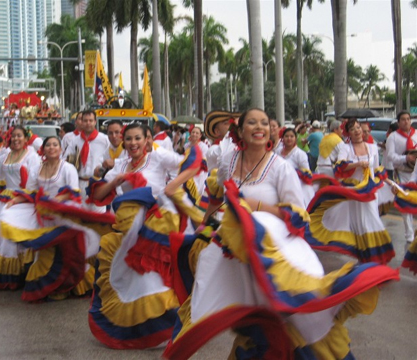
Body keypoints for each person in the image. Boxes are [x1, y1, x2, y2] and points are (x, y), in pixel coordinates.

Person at [164, 108, 399, 360]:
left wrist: (255, 206)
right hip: (240, 258)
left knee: (298, 320)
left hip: (278, 254)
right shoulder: (228, 161)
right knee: (254, 322)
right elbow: (218, 199)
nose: (259, 127)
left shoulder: (280, 167)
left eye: (264, 122)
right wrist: (204, 229)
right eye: (252, 122)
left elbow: (297, 216)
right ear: (239, 130)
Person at [86, 122, 204, 349]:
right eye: (128, 139)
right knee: (131, 282)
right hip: (129, 232)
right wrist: (115, 181)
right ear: (123, 141)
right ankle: (140, 330)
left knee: (154, 278)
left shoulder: (158, 158)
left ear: (146, 140)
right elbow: (98, 194)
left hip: (156, 228)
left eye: (137, 138)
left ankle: (170, 326)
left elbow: (192, 163)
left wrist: (172, 187)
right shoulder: (120, 165)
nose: (133, 143)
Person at [1, 136, 96, 301]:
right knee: (46, 252)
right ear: (43, 150)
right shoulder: (37, 168)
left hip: (65, 216)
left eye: (55, 145)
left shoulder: (68, 168)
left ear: (60, 149)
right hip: (45, 217)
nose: (51, 148)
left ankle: (70, 285)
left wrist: (54, 202)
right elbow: (31, 191)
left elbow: (73, 192)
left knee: (68, 252)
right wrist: (15, 200)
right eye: (48, 145)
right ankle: (50, 285)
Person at [309, 119, 394, 264]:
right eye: (353, 129)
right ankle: (366, 258)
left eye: (358, 128)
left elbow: (376, 170)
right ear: (348, 133)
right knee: (361, 225)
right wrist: (357, 164)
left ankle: (377, 257)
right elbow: (339, 167)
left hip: (370, 192)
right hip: (354, 193)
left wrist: (391, 183)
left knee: (373, 221)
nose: (357, 131)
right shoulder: (345, 148)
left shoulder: (372, 147)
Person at [0, 125, 41, 289]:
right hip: (7, 203)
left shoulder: (32, 156)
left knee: (20, 239)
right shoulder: (5, 156)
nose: (16, 139)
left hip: (25, 201)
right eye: (13, 136)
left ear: (25, 138)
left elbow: (35, 181)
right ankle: (10, 277)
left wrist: (25, 197)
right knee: (4, 241)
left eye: (19, 136)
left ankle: (25, 274)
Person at [63, 110, 109, 206]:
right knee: (79, 214)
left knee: (97, 214)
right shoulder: (75, 141)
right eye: (85, 121)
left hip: (97, 183)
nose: (88, 123)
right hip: (79, 182)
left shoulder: (104, 140)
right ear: (81, 122)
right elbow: (65, 160)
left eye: (91, 121)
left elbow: (110, 159)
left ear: (95, 122)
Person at [386, 111, 416, 245]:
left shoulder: (416, 134)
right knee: (405, 202)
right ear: (398, 122)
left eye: (408, 119)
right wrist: (406, 158)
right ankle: (409, 234)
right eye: (403, 119)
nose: (406, 122)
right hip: (402, 172)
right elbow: (390, 156)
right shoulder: (393, 137)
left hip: (416, 171)